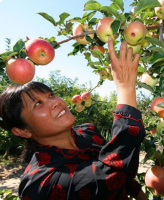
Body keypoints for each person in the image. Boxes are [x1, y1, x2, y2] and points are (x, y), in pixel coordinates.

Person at [0, 38, 148, 200]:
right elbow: (112, 175)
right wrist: (125, 88)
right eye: (38, 104)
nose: (55, 102)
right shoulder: (40, 183)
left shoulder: (88, 131)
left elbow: (126, 181)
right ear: (22, 130)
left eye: (51, 95)